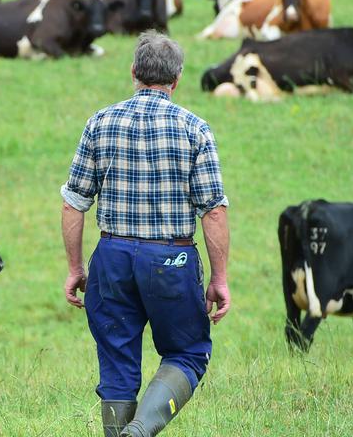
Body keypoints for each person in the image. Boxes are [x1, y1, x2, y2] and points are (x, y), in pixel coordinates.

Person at [60, 31, 231, 437]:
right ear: (177, 79)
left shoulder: (99, 122)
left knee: (117, 367)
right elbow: (214, 212)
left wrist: (74, 267)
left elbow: (74, 203)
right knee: (188, 353)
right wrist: (220, 278)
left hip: (112, 257)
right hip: (170, 259)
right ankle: (138, 434)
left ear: (133, 72)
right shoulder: (195, 129)